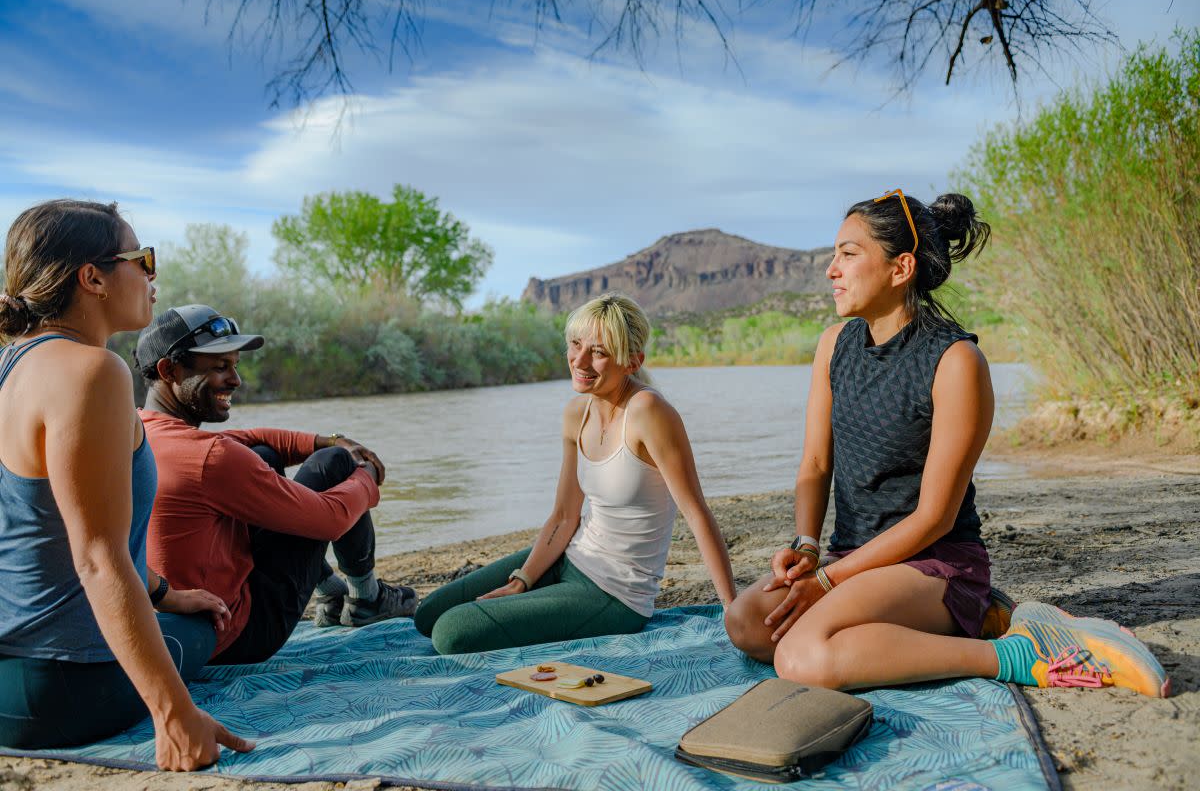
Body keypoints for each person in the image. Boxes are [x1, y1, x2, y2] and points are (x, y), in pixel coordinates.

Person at [723, 189, 1170, 698]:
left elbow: (934, 517)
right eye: (834, 254)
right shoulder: (833, 345)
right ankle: (958, 623)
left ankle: (1014, 650)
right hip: (854, 558)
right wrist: (807, 548)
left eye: (848, 254)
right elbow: (815, 463)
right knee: (746, 622)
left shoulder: (955, 362)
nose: (831, 269)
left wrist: (827, 583)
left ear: (900, 268)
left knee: (799, 656)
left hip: (933, 563)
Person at [0, 200, 254, 767]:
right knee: (207, 622)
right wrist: (174, 713)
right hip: (64, 695)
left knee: (179, 608)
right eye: (141, 257)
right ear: (91, 277)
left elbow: (37, 531)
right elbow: (95, 556)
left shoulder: (8, 369)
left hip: (9, 688)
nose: (152, 273)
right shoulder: (93, 372)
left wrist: (162, 591)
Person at [414, 292, 737, 654]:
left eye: (598, 352)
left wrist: (731, 608)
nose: (579, 361)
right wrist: (524, 579)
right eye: (575, 345)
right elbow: (566, 514)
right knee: (428, 615)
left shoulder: (649, 412)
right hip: (570, 556)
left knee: (450, 633)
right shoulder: (576, 413)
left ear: (632, 361)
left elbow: (696, 513)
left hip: (614, 593)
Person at [135, 304, 418, 666]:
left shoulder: (139, 434)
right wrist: (364, 474)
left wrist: (329, 438)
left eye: (235, 365)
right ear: (169, 369)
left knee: (263, 453)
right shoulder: (211, 457)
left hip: (173, 622)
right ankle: (367, 597)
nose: (235, 379)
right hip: (238, 634)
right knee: (334, 466)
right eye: (220, 367)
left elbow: (251, 437)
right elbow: (332, 518)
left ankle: (330, 592)